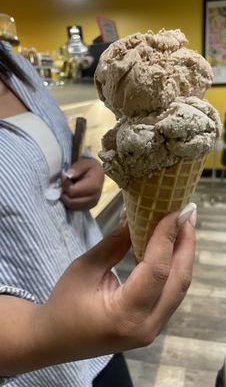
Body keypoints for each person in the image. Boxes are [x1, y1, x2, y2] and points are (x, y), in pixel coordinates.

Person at [0, 40, 197, 386]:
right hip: (28, 364)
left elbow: (53, 154)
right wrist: (44, 330)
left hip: (99, 310)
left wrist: (88, 166)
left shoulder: (14, 66)